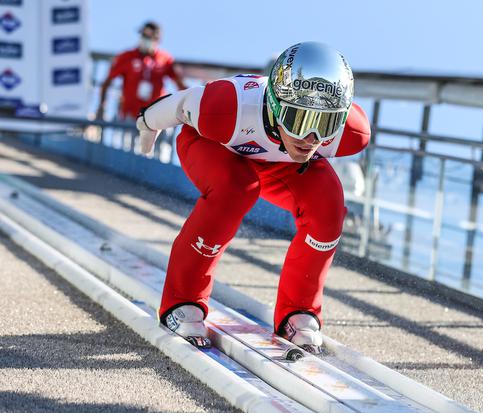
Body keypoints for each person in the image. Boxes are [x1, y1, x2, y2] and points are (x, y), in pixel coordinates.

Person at [136, 42, 371, 353]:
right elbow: (180, 104)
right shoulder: (225, 108)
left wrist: (305, 129)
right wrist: (147, 123)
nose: (310, 138)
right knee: (236, 189)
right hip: (215, 145)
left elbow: (312, 140)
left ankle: (298, 310)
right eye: (298, 119)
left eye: (324, 123)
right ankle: (183, 300)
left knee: (328, 204)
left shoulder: (350, 132)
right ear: (274, 104)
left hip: (279, 162)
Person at [96, 21, 186, 120]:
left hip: (157, 115)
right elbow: (107, 82)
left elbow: (179, 85)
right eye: (144, 35)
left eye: (149, 37)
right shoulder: (126, 57)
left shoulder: (165, 59)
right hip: (131, 115)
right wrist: (102, 106)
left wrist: (189, 103)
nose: (145, 39)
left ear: (157, 39)